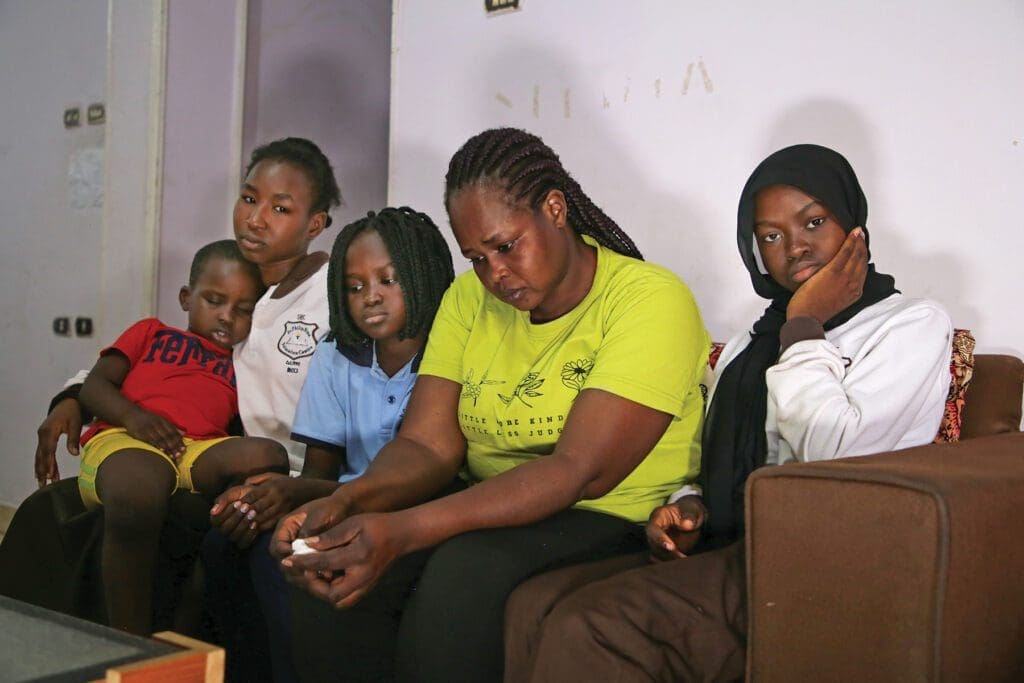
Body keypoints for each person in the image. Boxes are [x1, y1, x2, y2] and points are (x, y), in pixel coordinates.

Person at [273, 127, 710, 682]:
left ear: (555, 209)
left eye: (506, 246)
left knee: (463, 575)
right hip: (488, 502)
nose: (495, 273)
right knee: (332, 558)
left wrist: (405, 529)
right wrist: (350, 499)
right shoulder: (468, 298)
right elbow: (426, 444)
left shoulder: (650, 300)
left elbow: (576, 471)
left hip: (605, 514)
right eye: (476, 257)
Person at [520, 144, 953, 681]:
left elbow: (837, 460)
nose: (795, 247)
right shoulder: (752, 341)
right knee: (536, 607)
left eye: (814, 221)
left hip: (832, 560)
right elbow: (720, 456)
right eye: (770, 236)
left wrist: (804, 325)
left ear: (854, 228)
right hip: (738, 550)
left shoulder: (910, 325)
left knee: (589, 625)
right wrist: (689, 507)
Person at [202, 206, 455, 682]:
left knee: (308, 556)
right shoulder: (337, 354)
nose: (370, 298)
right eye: (355, 287)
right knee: (235, 543)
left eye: (388, 280)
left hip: (417, 508)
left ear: (423, 275)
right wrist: (277, 492)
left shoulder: (451, 351)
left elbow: (437, 474)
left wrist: (303, 495)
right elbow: (321, 471)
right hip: (344, 497)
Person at [34, 136, 342, 489]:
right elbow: (169, 361)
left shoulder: (332, 297)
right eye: (249, 199)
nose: (255, 219)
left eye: (280, 209)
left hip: (301, 481)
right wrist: (72, 398)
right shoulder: (239, 285)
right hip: (231, 471)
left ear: (314, 225)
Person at [74, 239, 288, 635]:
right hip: (127, 438)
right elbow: (94, 387)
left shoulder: (244, 361)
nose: (227, 317)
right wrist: (134, 417)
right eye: (214, 300)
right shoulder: (151, 332)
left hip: (195, 450)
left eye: (243, 310)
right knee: (141, 486)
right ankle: (131, 640)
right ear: (187, 298)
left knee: (268, 453)